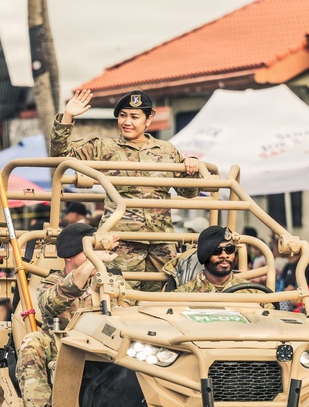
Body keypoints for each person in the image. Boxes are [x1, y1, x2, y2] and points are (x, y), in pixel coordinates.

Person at [51, 88, 200, 291]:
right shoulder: (104, 148)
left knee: (160, 302)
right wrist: (67, 117)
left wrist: (191, 170)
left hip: (161, 241)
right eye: (122, 116)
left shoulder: (167, 150)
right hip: (120, 242)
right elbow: (60, 155)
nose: (127, 122)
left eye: (134, 117)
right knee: (120, 298)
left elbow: (188, 193)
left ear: (149, 120)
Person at [17, 223, 117, 407]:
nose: (96, 255)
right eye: (89, 249)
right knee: (33, 342)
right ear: (71, 256)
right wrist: (93, 264)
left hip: (108, 352)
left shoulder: (111, 280)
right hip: (64, 352)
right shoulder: (52, 282)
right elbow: (50, 304)